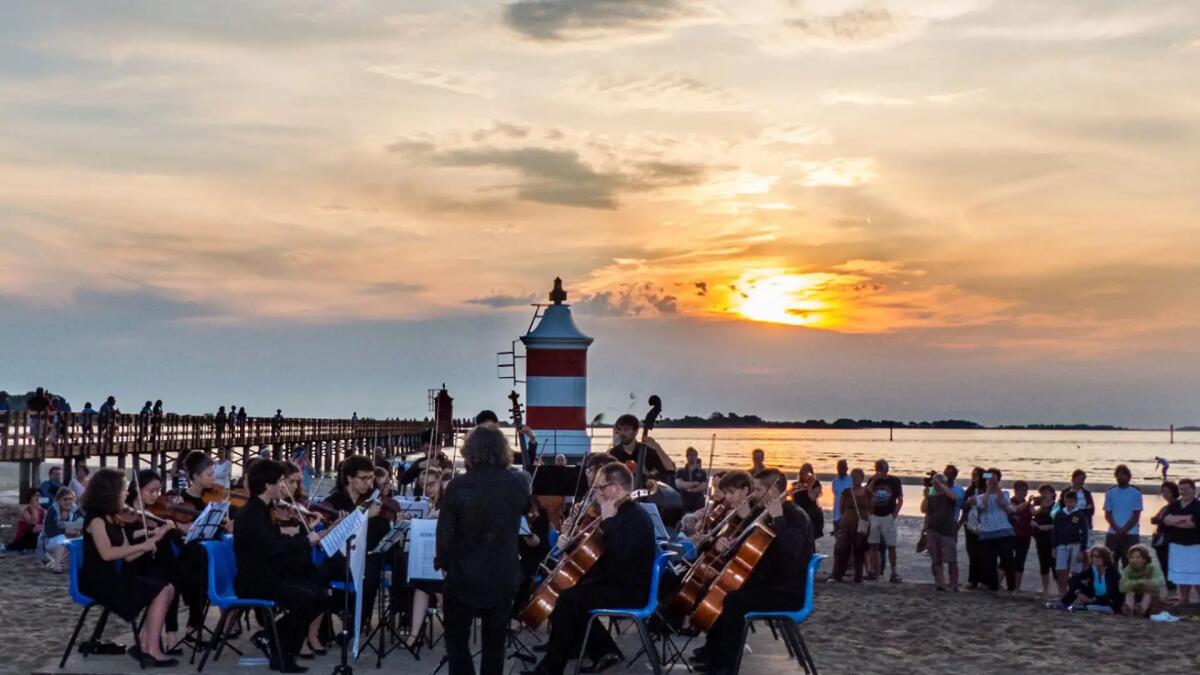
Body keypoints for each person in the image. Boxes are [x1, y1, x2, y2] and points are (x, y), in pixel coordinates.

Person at [526, 463, 656, 675]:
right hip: (614, 582)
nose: (596, 493)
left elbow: (621, 557)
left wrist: (608, 522)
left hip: (630, 590)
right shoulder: (619, 513)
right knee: (569, 594)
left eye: (600, 488)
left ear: (615, 488)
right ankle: (601, 651)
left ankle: (552, 667)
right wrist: (570, 545)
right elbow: (601, 554)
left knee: (569, 600)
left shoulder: (634, 517)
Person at [691, 468, 814, 675]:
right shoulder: (765, 514)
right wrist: (727, 542)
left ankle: (726, 666)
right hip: (771, 583)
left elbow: (789, 552)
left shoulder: (795, 516)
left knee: (734, 600)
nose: (754, 494)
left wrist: (778, 519)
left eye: (758, 490)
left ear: (773, 490)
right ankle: (715, 655)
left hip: (787, 591)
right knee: (724, 588)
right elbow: (754, 550)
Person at [436, 424, 530, 675]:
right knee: (495, 644)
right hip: (503, 572)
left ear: (471, 451)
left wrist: (444, 564)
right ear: (502, 451)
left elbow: (444, 534)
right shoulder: (517, 484)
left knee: (456, 640)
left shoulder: (458, 486)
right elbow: (529, 512)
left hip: (464, 574)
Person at [234, 459, 327, 673]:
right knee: (306, 599)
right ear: (268, 486)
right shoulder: (251, 514)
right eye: (280, 481)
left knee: (320, 595)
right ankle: (282, 651)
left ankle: (275, 643)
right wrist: (306, 540)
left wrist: (304, 535)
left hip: (269, 574)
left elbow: (275, 542)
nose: (283, 485)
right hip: (254, 580)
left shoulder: (263, 510)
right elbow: (273, 547)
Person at [80, 468, 178, 667]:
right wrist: (143, 545)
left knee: (168, 587)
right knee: (160, 590)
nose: (127, 492)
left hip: (113, 576)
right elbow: (107, 553)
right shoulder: (96, 519)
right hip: (97, 581)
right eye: (123, 488)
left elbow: (129, 556)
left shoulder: (113, 517)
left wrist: (157, 536)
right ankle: (152, 650)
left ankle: (146, 645)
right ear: (110, 491)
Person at [974, 468, 1016, 593]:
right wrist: (988, 487)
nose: (990, 480)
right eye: (988, 477)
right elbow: (984, 505)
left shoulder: (1005, 493)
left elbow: (1002, 503)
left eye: (993, 477)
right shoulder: (980, 496)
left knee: (1008, 560)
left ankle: (1011, 587)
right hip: (987, 531)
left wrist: (996, 486)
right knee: (990, 562)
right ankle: (993, 587)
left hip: (1004, 530)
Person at [608, 413, 675, 488]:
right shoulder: (613, 453)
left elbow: (670, 469)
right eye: (619, 429)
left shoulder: (646, 450)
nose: (622, 433)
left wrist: (657, 448)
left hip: (645, 495)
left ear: (635, 431)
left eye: (626, 429)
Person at [1161, 477, 1200, 605]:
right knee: (1181, 573)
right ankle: (1184, 598)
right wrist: (1184, 519)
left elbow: (1194, 523)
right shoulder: (1174, 505)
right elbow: (1166, 520)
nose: (1183, 492)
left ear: (1193, 490)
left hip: (1195, 544)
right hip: (1177, 543)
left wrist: (1176, 521)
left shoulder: (1197, 505)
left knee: (1196, 574)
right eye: (1181, 489)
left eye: (1186, 489)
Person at [1054, 545, 1122, 613]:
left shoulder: (1112, 571)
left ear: (1105, 558)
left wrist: (1092, 600)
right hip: (1093, 597)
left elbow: (1113, 593)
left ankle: (1087, 607)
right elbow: (1073, 579)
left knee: (1101, 607)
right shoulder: (1092, 569)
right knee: (1075, 586)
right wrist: (1078, 593)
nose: (1095, 559)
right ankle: (1064, 604)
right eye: (1093, 556)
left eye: (1099, 556)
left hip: (1108, 601)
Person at [865, 459, 903, 582]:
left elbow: (900, 499)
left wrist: (895, 514)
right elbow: (867, 493)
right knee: (873, 545)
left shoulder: (895, 481)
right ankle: (873, 571)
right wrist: (875, 479)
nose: (880, 470)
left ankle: (894, 572)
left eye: (882, 467)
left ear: (887, 468)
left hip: (888, 516)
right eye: (878, 467)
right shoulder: (873, 480)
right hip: (875, 516)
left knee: (891, 545)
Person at [921, 472, 959, 591]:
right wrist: (926, 496)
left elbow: (954, 497)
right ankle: (941, 583)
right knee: (936, 558)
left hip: (947, 531)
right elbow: (924, 510)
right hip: (933, 529)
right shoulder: (932, 496)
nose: (936, 485)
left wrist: (941, 485)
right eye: (934, 482)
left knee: (951, 559)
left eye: (939, 482)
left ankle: (953, 584)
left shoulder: (949, 495)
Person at [832, 468, 870, 583]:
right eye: (853, 476)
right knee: (843, 550)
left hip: (861, 525)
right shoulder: (846, 492)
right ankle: (838, 575)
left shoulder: (868, 492)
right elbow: (842, 508)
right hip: (847, 524)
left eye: (857, 476)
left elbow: (871, 508)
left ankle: (858, 576)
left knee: (859, 550)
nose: (855, 479)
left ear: (862, 478)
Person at [1104, 464, 1143, 566]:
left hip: (1131, 533)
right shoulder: (1110, 493)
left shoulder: (1135, 493)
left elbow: (1136, 515)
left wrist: (1124, 529)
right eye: (1118, 475)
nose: (1120, 477)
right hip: (1113, 533)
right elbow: (1108, 514)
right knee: (1111, 562)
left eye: (1122, 475)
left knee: (1131, 563)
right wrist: (1117, 529)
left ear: (1128, 476)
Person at [1052, 490, 1089, 595]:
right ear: (1064, 501)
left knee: (1075, 570)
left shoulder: (1080, 514)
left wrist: (1083, 549)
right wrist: (1054, 547)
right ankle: (1062, 591)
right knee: (1060, 569)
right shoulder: (1059, 514)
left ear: (1075, 502)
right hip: (1062, 544)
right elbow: (1055, 531)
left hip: (1075, 544)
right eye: (1067, 501)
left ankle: (1074, 591)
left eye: (1071, 501)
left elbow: (1084, 532)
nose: (1069, 504)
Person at [1120, 544, 1167, 618]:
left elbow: (1157, 583)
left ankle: (1141, 611)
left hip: (1150, 597)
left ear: (1145, 559)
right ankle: (1130, 610)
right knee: (1129, 592)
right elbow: (1122, 587)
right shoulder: (1127, 569)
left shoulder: (1151, 569)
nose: (1134, 560)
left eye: (1138, 557)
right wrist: (1137, 582)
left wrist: (1145, 583)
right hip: (1135, 594)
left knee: (1148, 593)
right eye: (1131, 557)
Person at [43, 486, 82, 572]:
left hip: (71, 538)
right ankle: (57, 565)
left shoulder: (76, 510)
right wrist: (66, 531)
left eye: (70, 499)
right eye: (65, 499)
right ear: (58, 500)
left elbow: (82, 524)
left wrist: (76, 531)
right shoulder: (52, 511)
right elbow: (49, 530)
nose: (68, 502)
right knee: (62, 539)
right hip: (51, 540)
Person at [1149, 480, 1179, 590]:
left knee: (1169, 565)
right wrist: (1160, 520)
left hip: (1171, 539)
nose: (1165, 494)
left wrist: (1160, 520)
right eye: (1163, 492)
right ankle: (1170, 587)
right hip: (1162, 538)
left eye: (1167, 492)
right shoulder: (1166, 507)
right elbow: (1155, 519)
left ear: (1173, 492)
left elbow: (1165, 521)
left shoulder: (1176, 506)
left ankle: (1173, 587)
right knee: (1164, 564)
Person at [1031, 484, 1058, 598]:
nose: (1044, 495)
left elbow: (1060, 522)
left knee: (1055, 564)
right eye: (1042, 493)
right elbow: (1033, 515)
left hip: (1053, 539)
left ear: (1053, 494)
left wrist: (1049, 526)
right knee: (1043, 564)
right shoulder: (1040, 507)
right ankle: (1045, 589)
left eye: (1047, 492)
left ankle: (1061, 588)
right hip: (1040, 538)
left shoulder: (1056, 506)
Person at [961, 466, 985, 589]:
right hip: (970, 524)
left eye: (977, 475)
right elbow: (963, 507)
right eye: (973, 475)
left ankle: (984, 580)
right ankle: (973, 580)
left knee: (984, 553)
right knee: (972, 552)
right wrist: (968, 503)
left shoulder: (986, 490)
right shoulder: (970, 490)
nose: (974, 477)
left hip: (984, 525)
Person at [1010, 480, 1034, 591]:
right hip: (1012, 535)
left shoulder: (1028, 504)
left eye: (1026, 491)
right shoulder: (1010, 502)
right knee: (1007, 561)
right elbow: (1014, 509)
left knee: (1020, 561)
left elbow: (1034, 514)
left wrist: (1043, 505)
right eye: (1022, 491)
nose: (1024, 493)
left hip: (1025, 535)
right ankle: (999, 583)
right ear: (1016, 491)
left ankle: (1017, 587)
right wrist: (1028, 503)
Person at [6, 487, 45, 552]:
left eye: (40, 495)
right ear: (30, 497)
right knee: (35, 534)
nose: (38, 497)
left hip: (36, 535)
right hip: (23, 538)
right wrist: (34, 508)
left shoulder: (42, 510)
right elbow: (33, 522)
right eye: (36, 495)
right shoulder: (25, 510)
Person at [792, 463, 823, 539]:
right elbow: (791, 498)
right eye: (804, 471)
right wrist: (797, 487)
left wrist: (809, 486)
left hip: (811, 515)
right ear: (801, 473)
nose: (806, 473)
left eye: (809, 471)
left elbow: (812, 497)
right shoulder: (795, 484)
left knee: (810, 539)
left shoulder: (816, 484)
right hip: (798, 515)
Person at [1065, 469, 1096, 543]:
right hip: (1069, 522)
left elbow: (1091, 510)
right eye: (1079, 479)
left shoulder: (1086, 493)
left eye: (1083, 479)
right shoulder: (1066, 492)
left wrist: (1081, 511)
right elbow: (1062, 507)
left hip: (1084, 522)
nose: (1081, 481)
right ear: (1073, 479)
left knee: (1085, 545)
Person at [675, 447, 708, 514]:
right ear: (686, 457)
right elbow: (679, 485)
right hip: (684, 502)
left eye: (694, 455)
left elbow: (704, 486)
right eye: (690, 455)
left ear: (696, 457)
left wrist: (689, 489)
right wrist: (695, 483)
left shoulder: (702, 472)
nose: (692, 457)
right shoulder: (680, 471)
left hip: (699, 503)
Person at [829, 459, 852, 535]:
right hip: (836, 514)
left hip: (847, 514)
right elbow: (836, 495)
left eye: (842, 467)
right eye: (839, 467)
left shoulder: (851, 480)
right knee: (838, 538)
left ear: (846, 468)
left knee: (847, 537)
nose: (840, 469)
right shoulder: (835, 481)